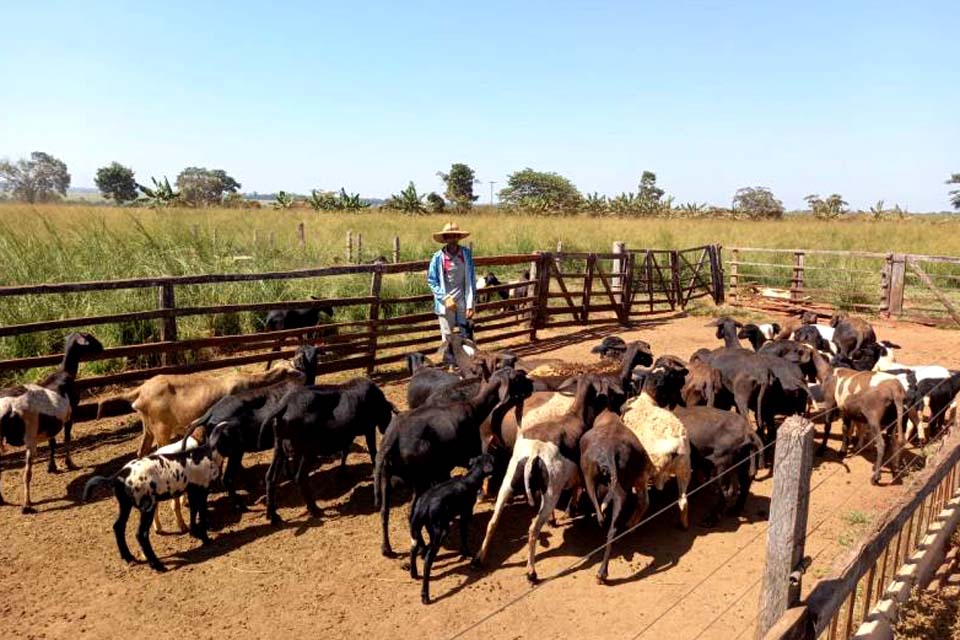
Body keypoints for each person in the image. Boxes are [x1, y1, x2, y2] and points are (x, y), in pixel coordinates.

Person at [427, 222, 476, 355]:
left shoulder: (466, 254)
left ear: (458, 237)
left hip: (463, 301)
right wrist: (444, 297)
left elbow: (471, 279)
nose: (452, 239)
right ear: (445, 238)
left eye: (455, 236)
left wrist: (471, 303)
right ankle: (450, 363)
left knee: (466, 334)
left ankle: (469, 362)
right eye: (449, 236)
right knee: (447, 337)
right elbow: (432, 281)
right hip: (446, 304)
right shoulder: (438, 257)